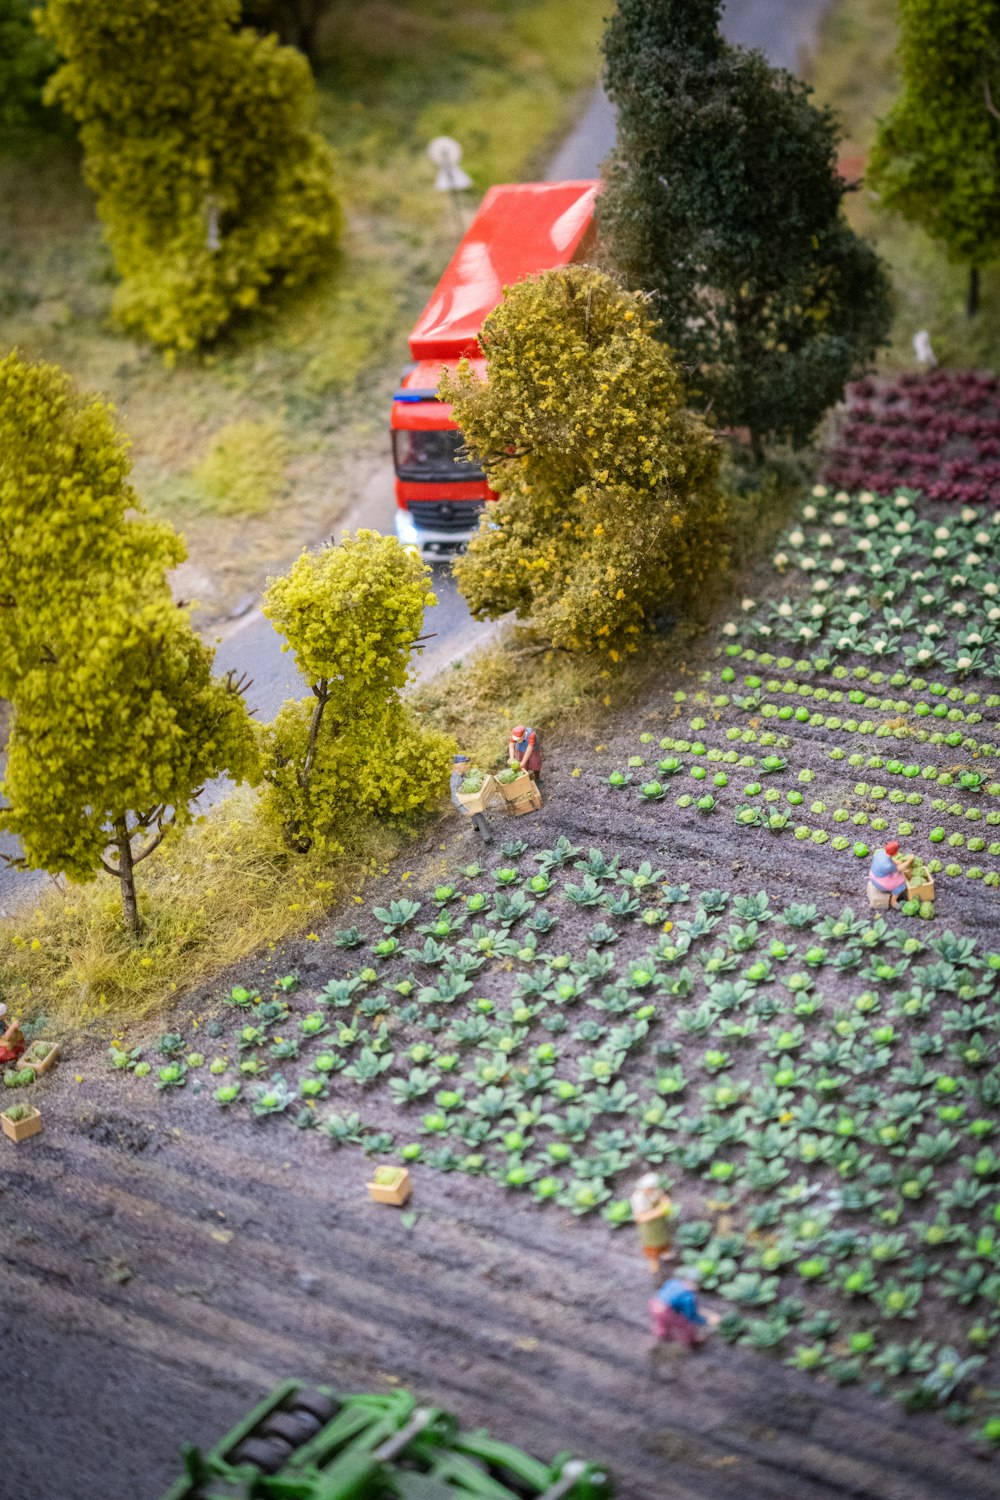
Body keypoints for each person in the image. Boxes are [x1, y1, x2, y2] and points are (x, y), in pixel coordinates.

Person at [649, 1269, 719, 1349]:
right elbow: (690, 1316)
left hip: (655, 1303)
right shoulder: (688, 1297)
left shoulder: (673, 1282)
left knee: (661, 1322)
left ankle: (661, 1333)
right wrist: (706, 1320)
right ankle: (692, 1341)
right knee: (686, 1325)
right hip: (666, 1312)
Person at [630, 1172, 675, 1275]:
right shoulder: (638, 1198)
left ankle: (665, 1252)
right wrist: (659, 1212)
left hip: (660, 1225)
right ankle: (654, 1262)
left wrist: (666, 1204)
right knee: (652, 1248)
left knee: (665, 1239)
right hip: (649, 1228)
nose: (650, 1190)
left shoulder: (656, 1191)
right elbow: (640, 1217)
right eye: (648, 1188)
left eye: (652, 1188)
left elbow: (663, 1197)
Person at [450, 755, 491, 843]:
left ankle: (476, 827)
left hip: (467, 798)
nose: (466, 766)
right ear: (459, 767)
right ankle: (487, 838)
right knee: (478, 815)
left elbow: (467, 780)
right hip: (462, 803)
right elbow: (454, 798)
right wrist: (464, 810)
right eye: (465, 765)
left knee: (473, 811)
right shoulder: (455, 781)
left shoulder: (462, 773)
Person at [868, 839, 914, 907]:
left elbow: (889, 859)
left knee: (897, 875)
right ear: (895, 853)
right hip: (879, 881)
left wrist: (896, 862)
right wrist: (909, 861)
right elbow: (899, 869)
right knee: (901, 884)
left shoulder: (880, 852)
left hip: (872, 874)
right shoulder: (888, 866)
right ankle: (893, 902)